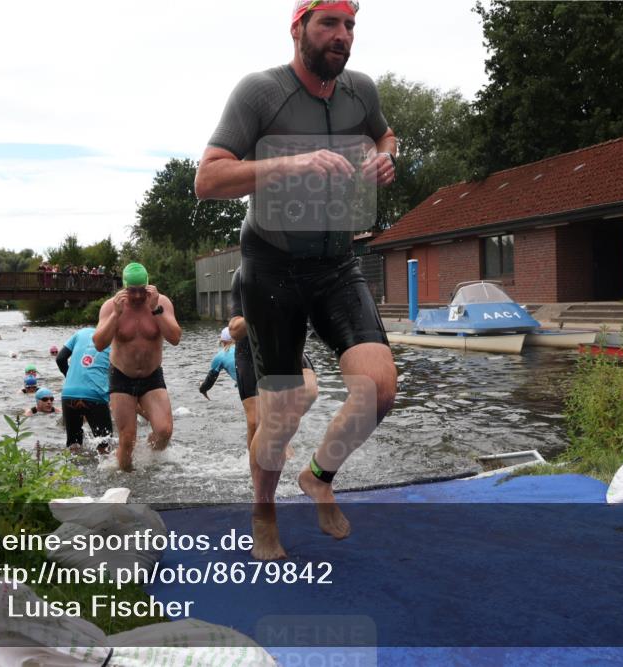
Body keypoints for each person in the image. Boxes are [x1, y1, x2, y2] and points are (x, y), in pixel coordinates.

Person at [195, 0, 398, 560]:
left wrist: (385, 157)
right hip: (272, 267)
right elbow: (207, 179)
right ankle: (264, 511)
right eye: (329, 23)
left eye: (350, 25)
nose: (342, 35)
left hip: (336, 263)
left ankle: (319, 477)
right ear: (298, 28)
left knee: (379, 386)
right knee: (279, 414)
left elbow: (387, 136)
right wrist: (289, 163)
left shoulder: (362, 90)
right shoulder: (260, 92)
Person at [93, 262, 182, 472]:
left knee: (164, 431)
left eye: (142, 290)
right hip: (122, 376)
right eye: (133, 291)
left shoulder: (162, 303)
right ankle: (127, 479)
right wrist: (116, 314)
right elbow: (99, 343)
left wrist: (155, 310)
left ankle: (148, 459)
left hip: (152, 376)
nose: (138, 296)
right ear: (124, 288)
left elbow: (175, 338)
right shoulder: (110, 306)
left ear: (148, 286)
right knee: (127, 438)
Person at [227, 266, 317, 459]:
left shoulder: (293, 270)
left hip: (287, 347)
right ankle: (255, 468)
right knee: (255, 420)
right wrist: (259, 312)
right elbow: (234, 330)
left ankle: (277, 438)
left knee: (309, 391)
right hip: (251, 351)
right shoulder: (244, 275)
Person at [57, 327, 113, 453]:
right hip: (95, 394)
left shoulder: (81, 333)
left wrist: (69, 377)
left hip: (69, 393)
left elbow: (60, 358)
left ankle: (72, 471)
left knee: (73, 444)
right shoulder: (116, 339)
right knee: (105, 443)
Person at [199, 327, 238, 398]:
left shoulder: (220, 356)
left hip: (245, 384)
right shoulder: (246, 347)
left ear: (223, 342)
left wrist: (202, 389)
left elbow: (210, 379)